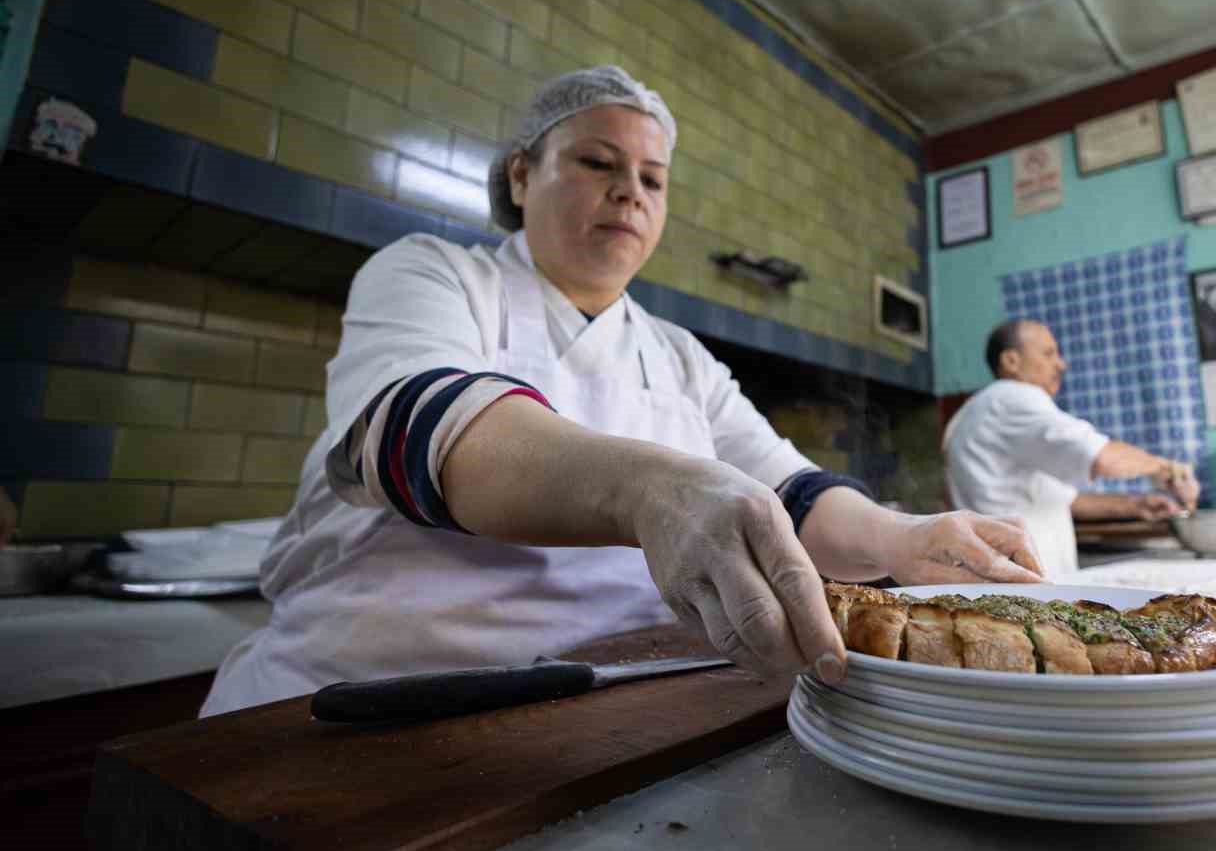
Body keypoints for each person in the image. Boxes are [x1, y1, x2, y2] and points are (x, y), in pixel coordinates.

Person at [198, 66, 1043, 719]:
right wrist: (648, 487)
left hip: (608, 707)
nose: (630, 191)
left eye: (653, 178)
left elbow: (788, 490)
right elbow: (420, 432)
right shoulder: (435, 274)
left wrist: (906, 539)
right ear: (524, 175)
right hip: (362, 706)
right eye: (598, 162)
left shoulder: (676, 355)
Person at [942, 319, 1201, 580]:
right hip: (1025, 579)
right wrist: (1166, 468)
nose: (1061, 364)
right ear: (1011, 361)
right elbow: (1101, 457)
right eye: (1048, 353)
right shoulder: (1013, 397)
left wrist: (1135, 506)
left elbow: (1063, 500)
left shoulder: (969, 415)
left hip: (1011, 577)